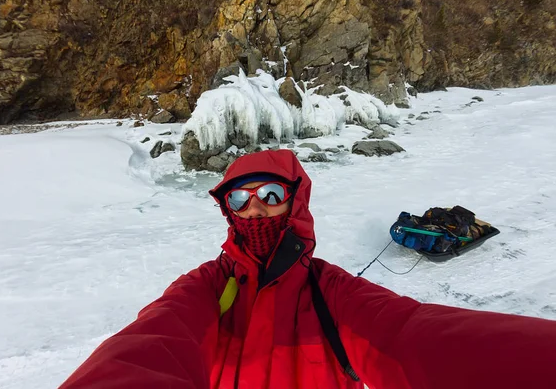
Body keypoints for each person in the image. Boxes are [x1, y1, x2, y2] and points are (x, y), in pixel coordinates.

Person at [60, 149, 556, 389]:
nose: (256, 210)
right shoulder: (207, 289)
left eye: (272, 196)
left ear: (295, 202)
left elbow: (414, 337)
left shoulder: (331, 292)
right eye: (241, 199)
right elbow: (147, 346)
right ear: (228, 209)